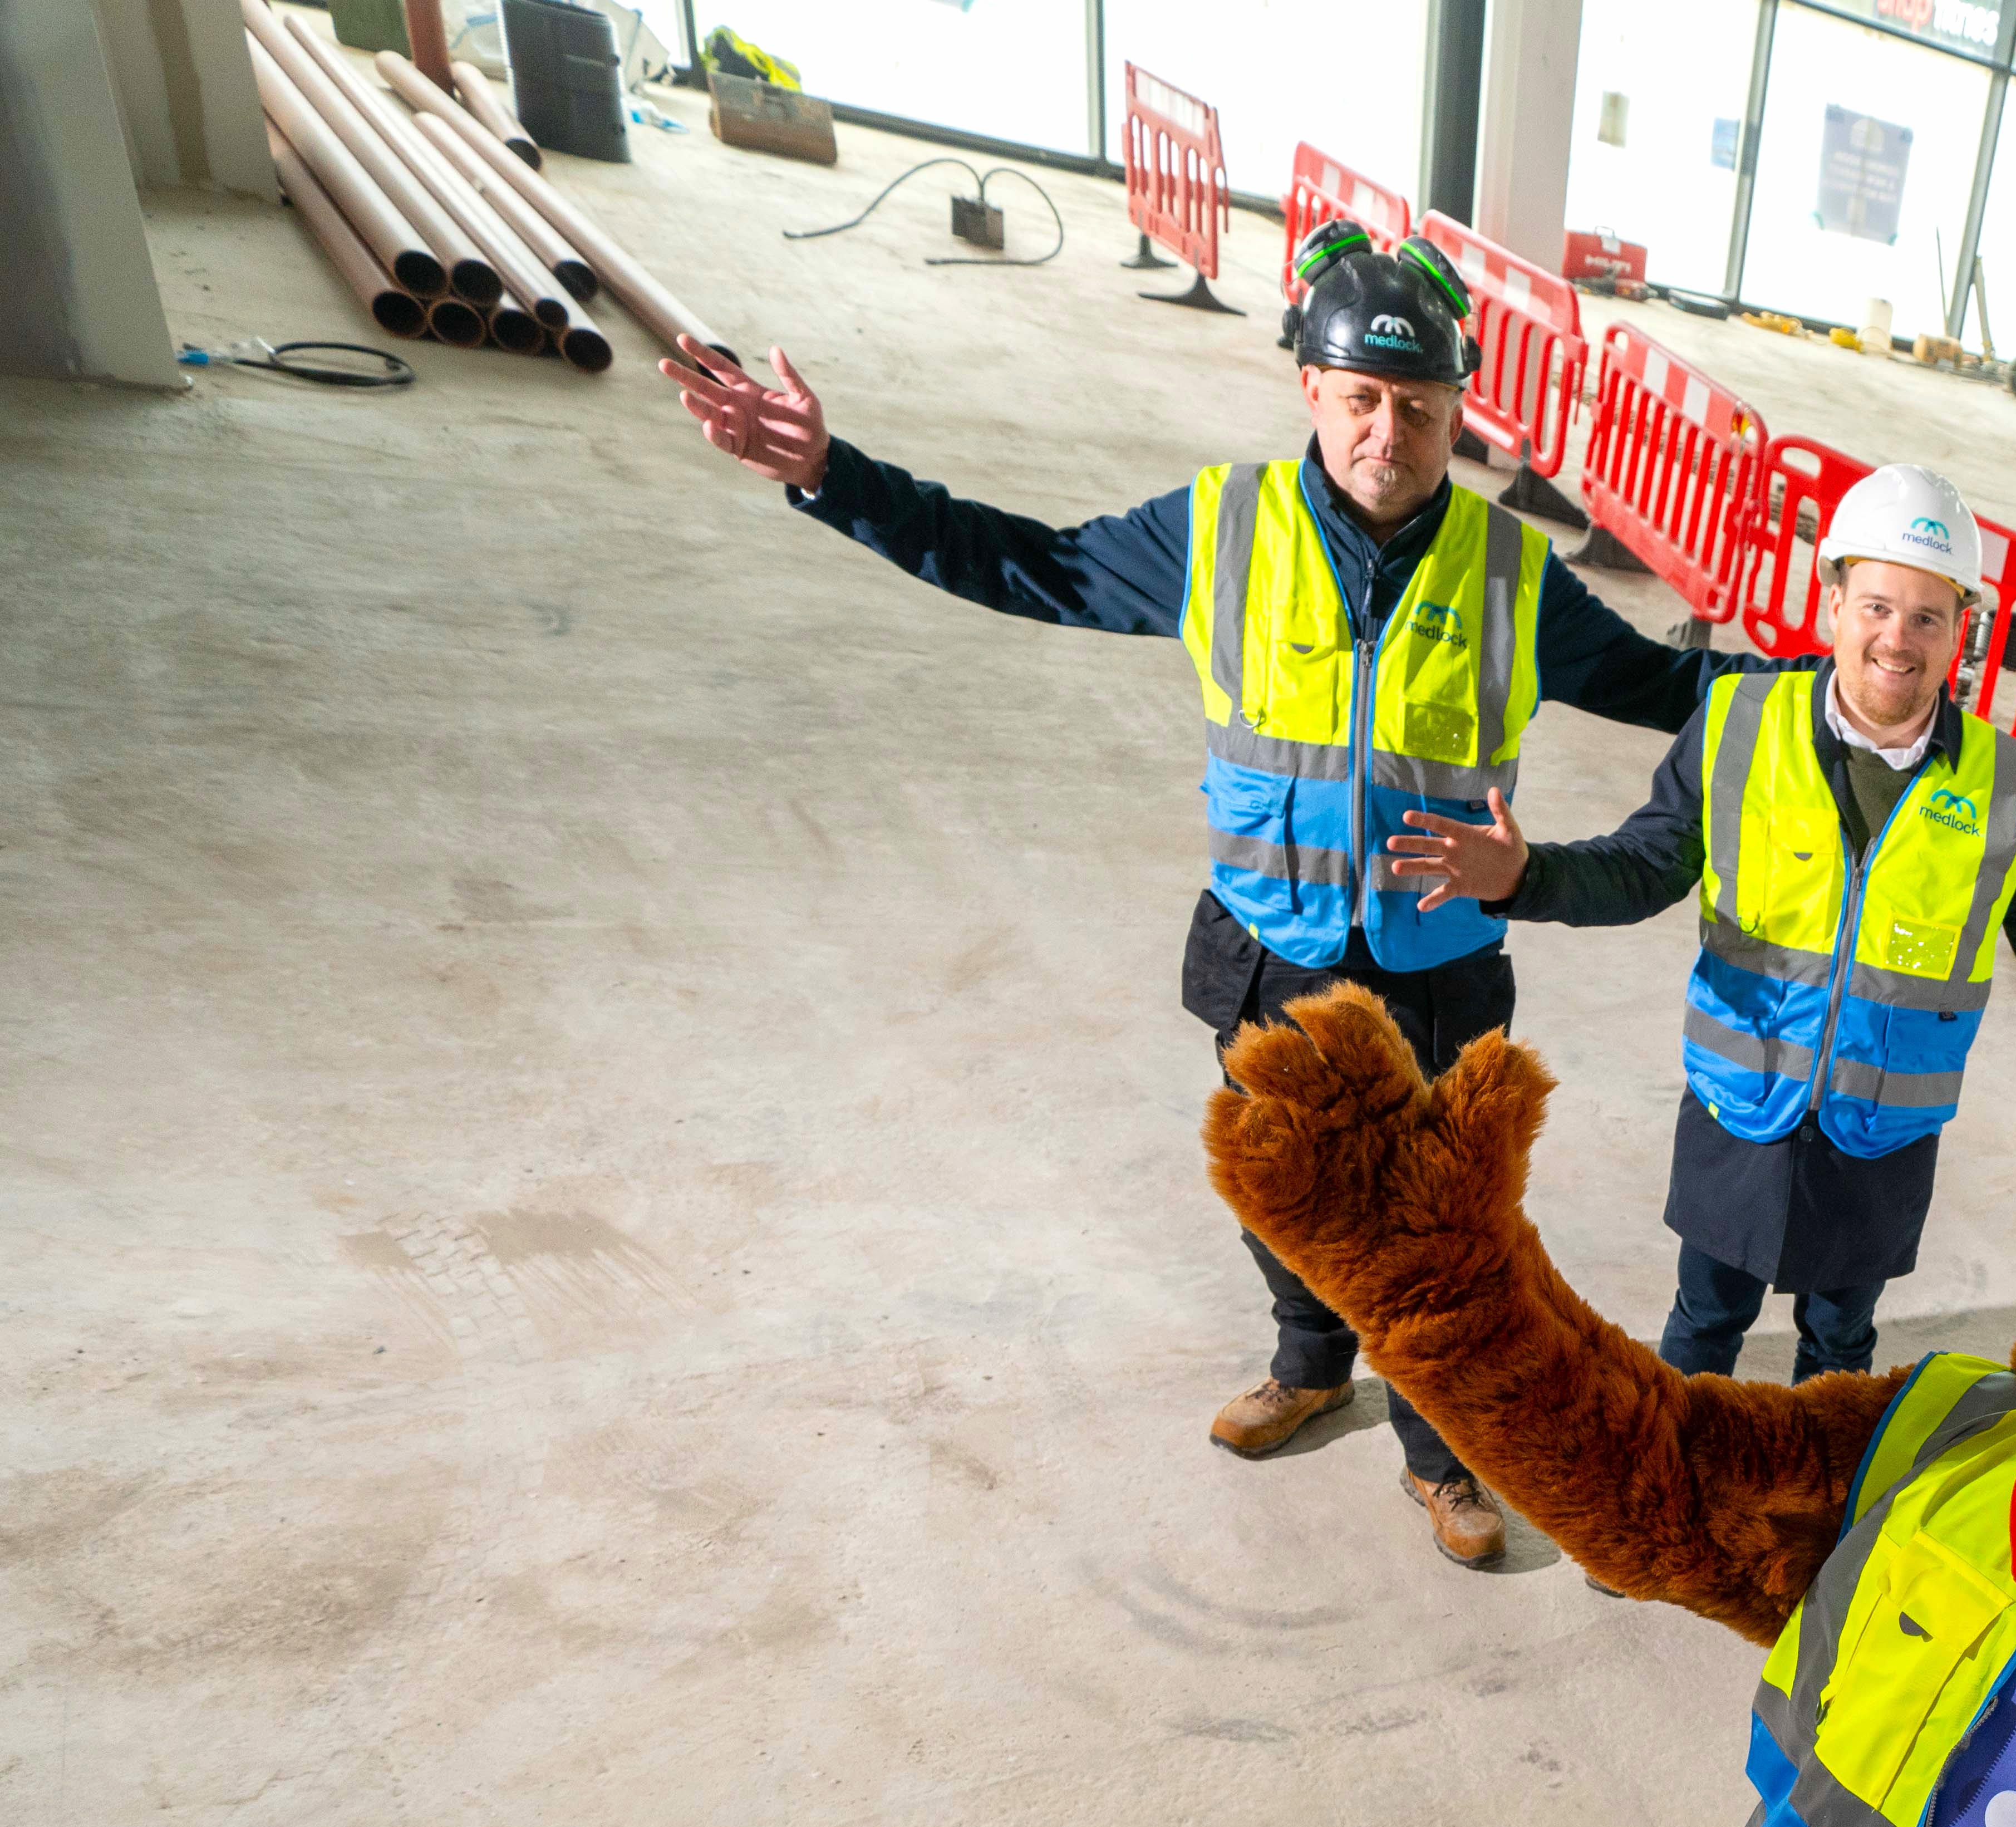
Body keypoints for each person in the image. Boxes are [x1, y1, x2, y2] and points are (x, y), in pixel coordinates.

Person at [661, 223, 1725, 1569]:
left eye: (1418, 408)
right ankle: (1309, 1363)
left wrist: (1861, 675)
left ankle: (1440, 1450)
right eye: (1359, 400)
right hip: (1274, 948)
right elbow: (1028, 563)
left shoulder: (1513, 574)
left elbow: (1674, 686)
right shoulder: (1222, 527)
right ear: (1310, 393)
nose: (1386, 433)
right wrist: (832, 475)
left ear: (1460, 411)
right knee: (1278, 1195)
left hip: (1436, 962)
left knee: (1441, 1233)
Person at [1402, 465, 2016, 1381]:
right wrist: (1529, 874)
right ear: (1832, 598)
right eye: (1875, 606)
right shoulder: (1739, 723)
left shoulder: (2007, 786)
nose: (1897, 641)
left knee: (1838, 1347)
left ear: (1963, 628)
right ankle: (1676, 1499)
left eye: (1926, 616)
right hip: (1739, 1106)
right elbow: (1643, 868)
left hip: (1881, 1133)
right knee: (1704, 1328)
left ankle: (1817, 1515)